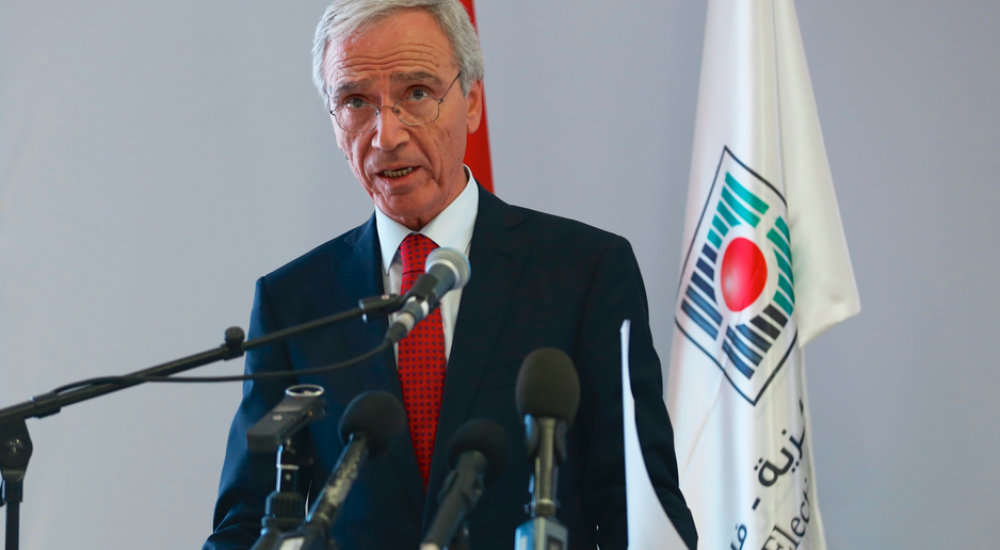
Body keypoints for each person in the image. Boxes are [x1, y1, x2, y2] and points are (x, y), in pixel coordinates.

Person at [203, 1, 697, 548]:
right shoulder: (293, 302)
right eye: (356, 102)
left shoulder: (584, 273)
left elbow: (640, 505)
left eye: (417, 92)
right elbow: (245, 524)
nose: (386, 135)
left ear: (473, 102)